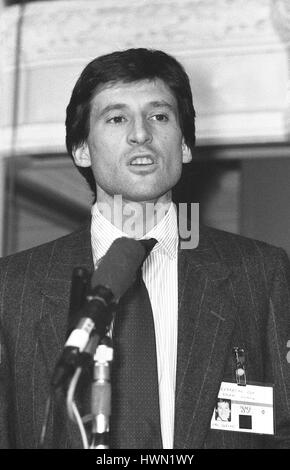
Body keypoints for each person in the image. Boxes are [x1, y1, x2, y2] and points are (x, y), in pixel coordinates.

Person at [0, 48, 290, 449]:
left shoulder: (259, 272)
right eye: (117, 118)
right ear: (81, 149)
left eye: (159, 116)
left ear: (186, 146)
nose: (141, 133)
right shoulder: (13, 287)